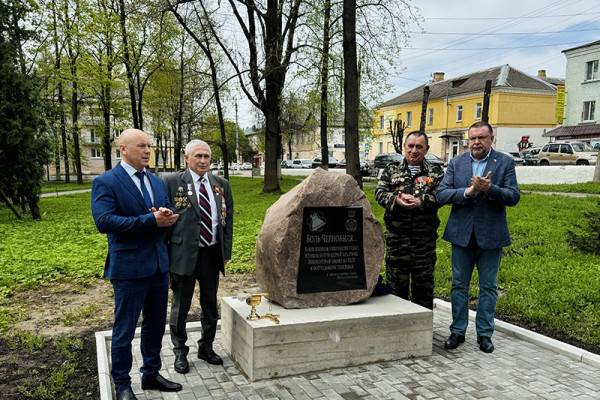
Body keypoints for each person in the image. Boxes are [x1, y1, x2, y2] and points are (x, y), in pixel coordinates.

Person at [91, 129, 182, 400]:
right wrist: (149, 220)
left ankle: (151, 374)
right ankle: (121, 384)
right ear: (123, 149)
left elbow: (163, 209)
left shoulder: (155, 181)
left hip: (157, 266)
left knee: (155, 325)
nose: (147, 151)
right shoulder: (107, 181)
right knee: (125, 329)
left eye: (149, 146)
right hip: (129, 268)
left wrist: (166, 215)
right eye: (141, 146)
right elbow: (104, 221)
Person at [437, 121, 520, 354]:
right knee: (458, 285)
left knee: (488, 287)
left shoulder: (505, 162)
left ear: (491, 138)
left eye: (481, 138)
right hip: (461, 235)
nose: (476, 142)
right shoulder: (456, 162)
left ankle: (485, 334)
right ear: (468, 140)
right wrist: (467, 192)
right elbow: (442, 194)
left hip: (491, 236)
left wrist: (489, 189)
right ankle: (457, 331)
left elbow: (514, 196)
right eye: (472, 138)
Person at [165, 139, 233, 374]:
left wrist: (226, 251)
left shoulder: (221, 184)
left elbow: (228, 219)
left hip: (212, 254)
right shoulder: (172, 182)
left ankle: (206, 347)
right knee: (181, 306)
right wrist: (166, 257)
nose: (203, 161)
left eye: (206, 156)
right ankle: (180, 352)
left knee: (209, 305)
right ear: (187, 158)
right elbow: (165, 222)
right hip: (183, 255)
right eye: (198, 156)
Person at [375, 131, 444, 310]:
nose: (414, 150)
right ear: (404, 147)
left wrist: (422, 201)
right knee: (396, 288)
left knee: (424, 288)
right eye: (410, 146)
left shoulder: (435, 172)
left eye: (419, 146)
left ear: (427, 149)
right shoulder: (391, 169)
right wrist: (395, 200)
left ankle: (422, 331)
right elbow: (380, 193)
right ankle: (398, 330)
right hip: (397, 240)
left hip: (424, 241)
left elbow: (442, 196)